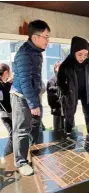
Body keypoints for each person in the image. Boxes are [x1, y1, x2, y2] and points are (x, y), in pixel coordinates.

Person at [10, 20, 50, 176]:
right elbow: (25, 82)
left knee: (35, 124)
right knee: (21, 130)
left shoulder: (36, 52)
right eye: (46, 37)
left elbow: (34, 77)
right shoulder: (24, 54)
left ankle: (32, 150)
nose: (48, 40)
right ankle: (20, 162)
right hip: (21, 97)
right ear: (35, 37)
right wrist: (34, 104)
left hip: (32, 95)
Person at [57, 36, 89, 138]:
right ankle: (68, 132)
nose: (83, 57)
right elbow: (60, 80)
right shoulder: (67, 63)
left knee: (88, 112)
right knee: (70, 113)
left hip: (86, 91)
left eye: (85, 54)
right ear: (73, 52)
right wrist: (66, 91)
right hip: (72, 92)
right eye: (80, 54)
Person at [47, 61, 65, 132]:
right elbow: (50, 96)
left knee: (69, 129)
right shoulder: (52, 80)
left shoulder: (67, 79)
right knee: (57, 130)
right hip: (57, 108)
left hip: (67, 109)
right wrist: (54, 106)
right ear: (55, 69)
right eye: (59, 67)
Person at [0, 63, 13, 154]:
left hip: (6, 113)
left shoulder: (2, 84)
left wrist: (8, 83)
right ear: (5, 72)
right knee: (13, 134)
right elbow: (4, 98)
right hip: (5, 114)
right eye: (9, 73)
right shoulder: (1, 85)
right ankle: (7, 154)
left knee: (14, 133)